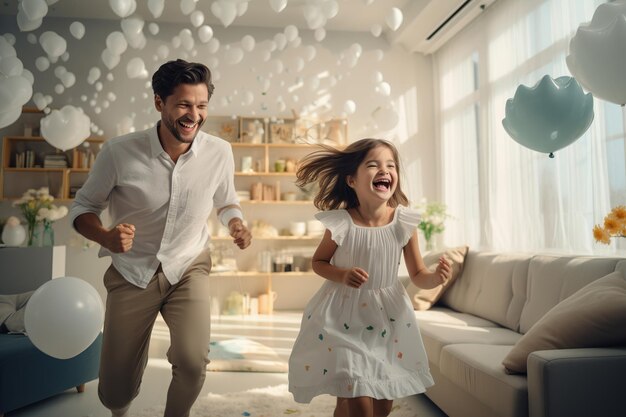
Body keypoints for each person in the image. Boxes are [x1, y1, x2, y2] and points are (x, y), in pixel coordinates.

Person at [70, 59, 252, 417]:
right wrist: (106, 237)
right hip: (133, 271)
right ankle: (120, 409)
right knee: (116, 386)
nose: (193, 115)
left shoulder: (219, 152)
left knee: (193, 361)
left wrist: (235, 223)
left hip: (188, 265)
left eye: (201, 106)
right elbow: (82, 208)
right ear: (159, 103)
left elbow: (227, 201)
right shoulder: (119, 152)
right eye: (184, 104)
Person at [288, 138, 452, 417]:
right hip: (343, 316)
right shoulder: (341, 223)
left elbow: (418, 274)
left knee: (381, 404)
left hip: (387, 319)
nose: (384, 170)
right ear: (351, 180)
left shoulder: (404, 223)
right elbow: (318, 262)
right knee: (359, 396)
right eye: (373, 164)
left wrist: (435, 278)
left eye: (390, 165)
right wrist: (342, 274)